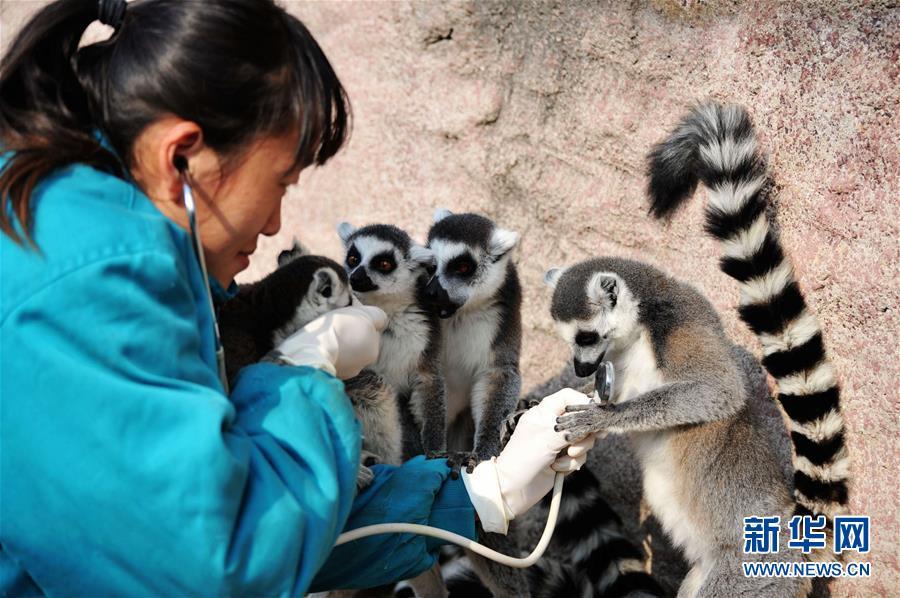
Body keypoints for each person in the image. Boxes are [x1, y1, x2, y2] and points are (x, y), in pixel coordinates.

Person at [0, 1, 594, 595]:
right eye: (282, 181)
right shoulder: (93, 282)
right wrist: (300, 377)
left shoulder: (99, 228)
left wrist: (484, 494)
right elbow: (219, 564)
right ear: (182, 156)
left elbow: (264, 519)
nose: (274, 221)